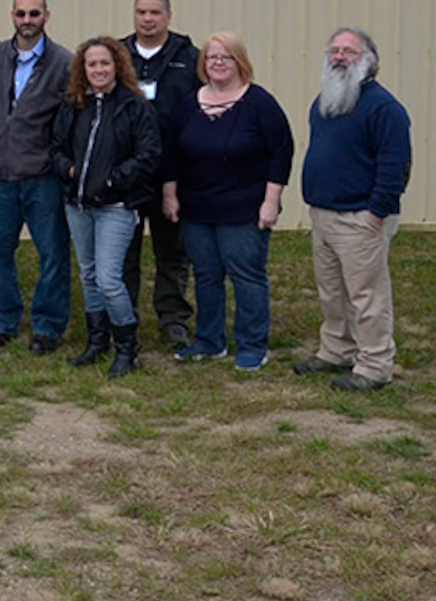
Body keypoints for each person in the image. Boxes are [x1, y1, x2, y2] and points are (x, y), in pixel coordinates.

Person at [161, 31, 293, 370]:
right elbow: (172, 152)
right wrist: (170, 194)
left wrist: (271, 201)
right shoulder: (190, 104)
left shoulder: (259, 102)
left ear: (240, 62)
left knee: (247, 276)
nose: (218, 63)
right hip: (197, 207)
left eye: (226, 57)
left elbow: (281, 152)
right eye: (212, 57)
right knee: (205, 275)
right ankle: (209, 340)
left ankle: (252, 345)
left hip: (244, 208)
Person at [297, 28, 412, 392]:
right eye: (335, 50)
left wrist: (376, 212)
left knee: (367, 295)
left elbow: (396, 164)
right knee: (332, 291)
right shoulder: (327, 102)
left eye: (349, 51)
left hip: (361, 217)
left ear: (369, 61)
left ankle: (376, 365)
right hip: (325, 213)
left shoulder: (384, 108)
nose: (339, 56)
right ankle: (337, 350)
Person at [50, 37, 161, 378]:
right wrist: (69, 170)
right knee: (88, 274)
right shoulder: (73, 104)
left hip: (117, 205)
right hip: (78, 205)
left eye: (105, 63)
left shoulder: (135, 106)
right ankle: (97, 341)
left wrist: (112, 180)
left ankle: (127, 346)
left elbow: (149, 154)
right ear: (83, 69)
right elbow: (56, 146)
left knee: (110, 278)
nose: (98, 69)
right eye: (92, 64)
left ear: (118, 66)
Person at [0, 0, 73, 354]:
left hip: (42, 177)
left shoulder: (64, 63)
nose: (27, 20)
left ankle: (48, 327)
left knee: (52, 254)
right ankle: (3, 322)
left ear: (46, 15)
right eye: (20, 13)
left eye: (34, 13)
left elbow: (71, 121)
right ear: (11, 15)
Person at [120, 0, 201, 350]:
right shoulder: (118, 55)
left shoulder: (189, 58)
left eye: (154, 13)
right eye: (141, 12)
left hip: (173, 173)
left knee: (172, 252)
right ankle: (124, 318)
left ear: (168, 16)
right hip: (127, 173)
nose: (147, 19)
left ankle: (173, 318)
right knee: (125, 252)